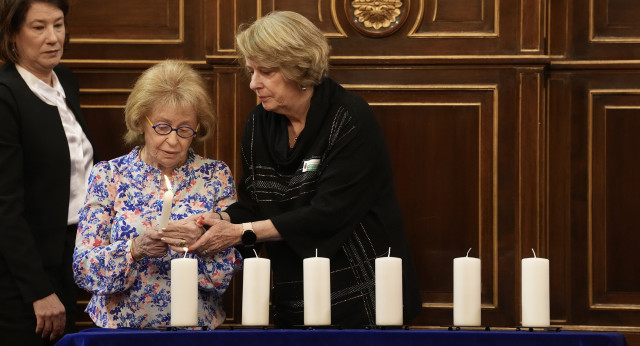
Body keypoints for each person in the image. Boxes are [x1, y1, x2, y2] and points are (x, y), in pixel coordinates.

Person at [179, 11, 422, 328]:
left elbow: (329, 212)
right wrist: (218, 221)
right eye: (251, 71)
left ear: (300, 67)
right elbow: (254, 203)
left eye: (266, 72)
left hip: (363, 296)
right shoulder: (258, 124)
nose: (254, 83)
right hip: (295, 294)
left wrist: (241, 232)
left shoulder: (349, 117)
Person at [72, 60, 241, 329]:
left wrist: (199, 243)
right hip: (122, 331)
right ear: (140, 121)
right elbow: (85, 269)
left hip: (195, 330)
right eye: (162, 127)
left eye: (185, 130)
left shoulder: (215, 176)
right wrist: (135, 249)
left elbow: (226, 271)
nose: (173, 141)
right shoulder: (109, 176)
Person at [0, 0, 96, 344]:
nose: (53, 37)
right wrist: (38, 291)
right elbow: (5, 207)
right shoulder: (5, 94)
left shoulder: (65, 81)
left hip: (67, 258)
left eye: (58, 24)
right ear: (13, 34)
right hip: (21, 277)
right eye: (38, 27)